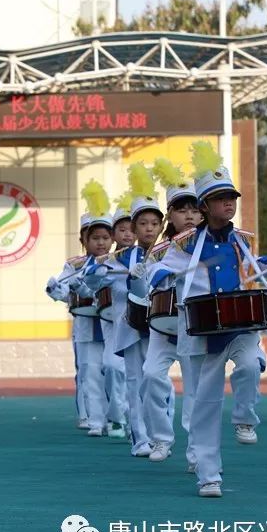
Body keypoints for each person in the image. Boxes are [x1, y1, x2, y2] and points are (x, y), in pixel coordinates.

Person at [152, 141, 267, 497]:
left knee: (252, 367)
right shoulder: (185, 244)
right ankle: (209, 476)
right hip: (205, 330)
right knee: (205, 406)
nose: (230, 203)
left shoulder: (241, 241)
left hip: (241, 325)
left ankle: (244, 418)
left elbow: (252, 273)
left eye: (233, 198)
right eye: (222, 198)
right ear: (205, 205)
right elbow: (160, 266)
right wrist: (158, 276)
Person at [139, 158, 201, 463]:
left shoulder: (213, 244)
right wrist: (157, 274)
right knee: (150, 375)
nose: (189, 215)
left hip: (196, 326)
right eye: (181, 210)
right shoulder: (160, 249)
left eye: (194, 209)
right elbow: (150, 275)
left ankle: (195, 452)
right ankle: (161, 438)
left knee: (196, 390)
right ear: (170, 216)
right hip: (163, 325)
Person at [100, 163, 163, 457]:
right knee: (136, 381)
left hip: (162, 323)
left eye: (154, 223)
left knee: (158, 381)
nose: (149, 228)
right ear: (133, 228)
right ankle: (140, 438)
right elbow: (100, 279)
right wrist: (126, 276)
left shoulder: (171, 251)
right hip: (130, 324)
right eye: (142, 224)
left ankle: (162, 437)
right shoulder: (122, 256)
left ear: (161, 226)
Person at [47, 180, 116, 437]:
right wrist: (55, 290)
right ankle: (92, 419)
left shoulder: (116, 263)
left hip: (111, 324)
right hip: (86, 326)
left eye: (105, 237)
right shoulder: (74, 266)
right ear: (83, 240)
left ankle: (115, 417)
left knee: (113, 371)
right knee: (88, 372)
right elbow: (65, 293)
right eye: (94, 238)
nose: (100, 243)